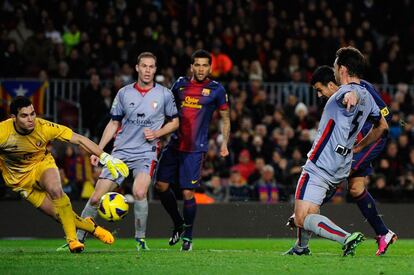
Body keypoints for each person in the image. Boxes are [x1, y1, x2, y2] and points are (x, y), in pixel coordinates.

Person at [58, 52, 179, 252]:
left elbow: (175, 122)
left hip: (146, 153)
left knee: (139, 192)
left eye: (151, 67)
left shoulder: (165, 94)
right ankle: (77, 238)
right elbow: (114, 123)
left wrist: (157, 132)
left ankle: (140, 241)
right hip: (120, 153)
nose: (147, 70)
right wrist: (99, 149)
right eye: (144, 66)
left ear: (155, 70)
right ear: (137, 68)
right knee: (96, 198)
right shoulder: (124, 93)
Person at [285, 46, 389, 256]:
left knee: (302, 217)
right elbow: (383, 127)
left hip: (321, 163)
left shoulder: (346, 91)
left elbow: (350, 95)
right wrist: (358, 147)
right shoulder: (368, 96)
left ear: (342, 69)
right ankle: (301, 248)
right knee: (309, 211)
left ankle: (346, 238)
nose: (333, 69)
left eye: (335, 65)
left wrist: (350, 95)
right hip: (341, 166)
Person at [0, 96, 128, 253]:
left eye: (33, 113)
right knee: (59, 215)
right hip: (20, 182)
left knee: (56, 190)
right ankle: (90, 226)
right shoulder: (3, 132)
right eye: (24, 116)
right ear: (13, 117)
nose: (31, 119)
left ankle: (72, 241)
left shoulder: (44, 127)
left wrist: (105, 157)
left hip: (41, 165)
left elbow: (79, 139)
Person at [155, 49, 231, 251]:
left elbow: (225, 118)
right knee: (160, 186)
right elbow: (166, 111)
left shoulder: (216, 89)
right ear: (191, 67)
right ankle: (178, 223)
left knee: (188, 192)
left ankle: (188, 237)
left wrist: (224, 143)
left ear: (210, 67)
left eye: (205, 65)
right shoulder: (179, 84)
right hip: (174, 145)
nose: (200, 68)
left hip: (195, 149)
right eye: (197, 64)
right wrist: (158, 134)